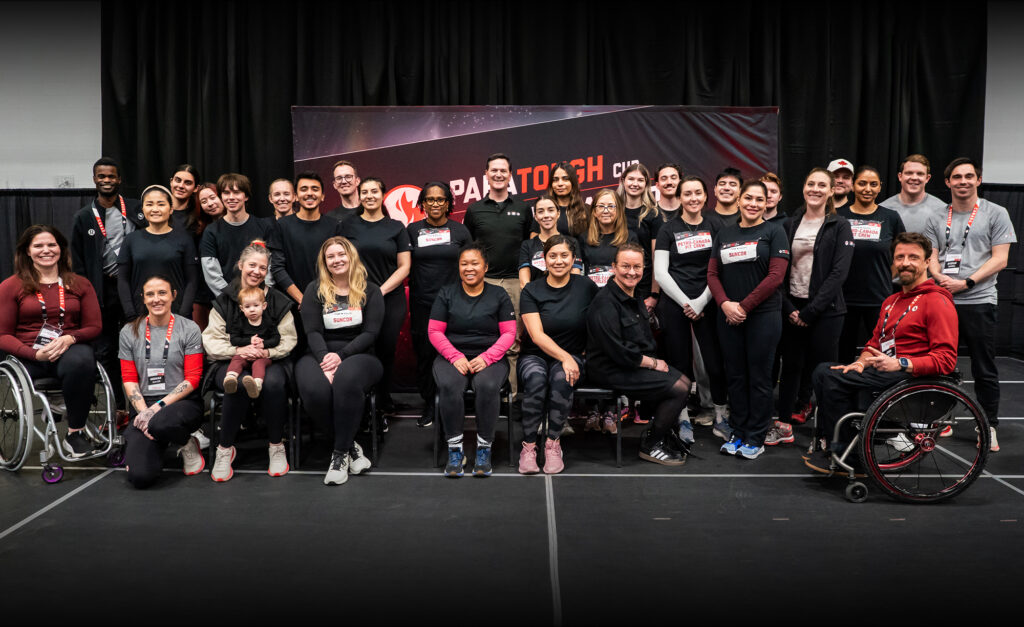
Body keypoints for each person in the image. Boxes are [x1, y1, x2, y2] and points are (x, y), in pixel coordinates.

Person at [807, 232, 958, 471]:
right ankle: (845, 447)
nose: (905, 262)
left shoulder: (937, 302)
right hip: (886, 373)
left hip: (912, 378)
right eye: (900, 257)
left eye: (913, 257)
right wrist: (861, 362)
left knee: (827, 375)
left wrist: (901, 364)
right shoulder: (891, 301)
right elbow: (874, 344)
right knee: (826, 371)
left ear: (927, 262)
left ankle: (851, 456)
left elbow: (946, 360)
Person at [924, 157, 1016, 452]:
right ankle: (938, 420)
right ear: (948, 182)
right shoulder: (936, 217)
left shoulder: (996, 213)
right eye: (957, 177)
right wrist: (939, 278)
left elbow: (1000, 258)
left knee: (983, 367)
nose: (963, 181)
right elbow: (931, 256)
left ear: (978, 180)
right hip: (942, 300)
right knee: (938, 364)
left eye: (969, 176)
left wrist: (967, 283)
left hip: (979, 300)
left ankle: (988, 425)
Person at [0, 225, 102, 458]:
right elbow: (2, 334)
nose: (46, 250)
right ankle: (58, 402)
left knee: (83, 359)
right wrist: (35, 354)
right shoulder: (10, 286)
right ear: (27, 251)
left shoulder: (80, 284)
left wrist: (70, 338)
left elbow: (94, 327)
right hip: (30, 356)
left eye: (51, 245)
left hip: (68, 350)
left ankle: (74, 434)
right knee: (64, 362)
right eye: (38, 246)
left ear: (61, 249)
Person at [586, 242, 691, 466]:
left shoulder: (636, 295)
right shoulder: (604, 303)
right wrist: (652, 364)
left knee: (684, 381)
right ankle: (651, 444)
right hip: (609, 368)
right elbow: (617, 351)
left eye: (637, 267)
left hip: (630, 363)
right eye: (625, 266)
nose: (631, 272)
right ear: (614, 267)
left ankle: (659, 434)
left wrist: (655, 363)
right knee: (679, 388)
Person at [707, 180, 790, 460]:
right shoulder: (725, 233)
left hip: (763, 317)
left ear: (767, 202)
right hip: (729, 316)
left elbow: (776, 277)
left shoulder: (774, 231)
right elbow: (712, 275)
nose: (753, 203)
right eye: (749, 198)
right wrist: (725, 304)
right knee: (736, 377)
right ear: (739, 200)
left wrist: (743, 306)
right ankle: (739, 432)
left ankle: (756, 436)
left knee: (759, 378)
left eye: (759, 199)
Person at [202, 240, 298, 481]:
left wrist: (266, 353)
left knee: (273, 384)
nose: (257, 271)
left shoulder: (277, 300)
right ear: (240, 265)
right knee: (237, 383)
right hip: (231, 361)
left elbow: (288, 339)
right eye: (252, 265)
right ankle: (225, 449)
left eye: (262, 268)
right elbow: (211, 341)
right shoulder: (223, 300)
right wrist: (240, 350)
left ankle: (276, 445)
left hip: (270, 360)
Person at [296, 237, 384, 485]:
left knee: (346, 379)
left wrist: (341, 357)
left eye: (341, 254)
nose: (337, 260)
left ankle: (338, 456)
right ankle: (350, 447)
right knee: (313, 389)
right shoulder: (314, 289)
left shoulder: (371, 290)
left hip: (360, 355)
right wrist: (325, 359)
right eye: (331, 256)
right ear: (325, 262)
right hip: (319, 353)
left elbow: (370, 333)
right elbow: (312, 332)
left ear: (351, 257)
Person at [776, 169, 854, 444]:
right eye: (811, 184)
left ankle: (824, 432)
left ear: (832, 190)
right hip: (792, 309)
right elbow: (779, 271)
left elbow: (838, 273)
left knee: (824, 372)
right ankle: (783, 424)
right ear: (804, 187)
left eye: (823, 185)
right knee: (791, 368)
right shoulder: (789, 223)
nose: (816, 189)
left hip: (827, 311)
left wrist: (811, 311)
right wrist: (789, 308)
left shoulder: (840, 224)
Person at [653, 176, 729, 444]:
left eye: (698, 193)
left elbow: (721, 267)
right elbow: (660, 273)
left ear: (705, 196)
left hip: (708, 302)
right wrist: (687, 302)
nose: (693, 198)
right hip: (675, 304)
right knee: (680, 364)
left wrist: (701, 301)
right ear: (680, 197)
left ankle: (721, 416)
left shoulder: (716, 225)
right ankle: (682, 417)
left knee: (715, 364)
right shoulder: (668, 228)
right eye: (688, 194)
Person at [430, 244, 516, 478]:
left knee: (487, 386)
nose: (469, 268)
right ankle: (455, 449)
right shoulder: (446, 293)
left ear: (485, 267)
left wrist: (487, 357)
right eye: (464, 264)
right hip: (452, 356)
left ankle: (484, 449)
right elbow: (435, 331)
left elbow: (509, 333)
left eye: (475, 263)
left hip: (490, 357)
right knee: (449, 385)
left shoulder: (498, 294)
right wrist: (455, 356)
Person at [518, 235, 598, 474]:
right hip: (535, 355)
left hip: (574, 355)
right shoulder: (531, 290)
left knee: (561, 378)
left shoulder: (587, 287)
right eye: (552, 256)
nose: (559, 261)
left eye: (564, 255)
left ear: (574, 259)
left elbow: (599, 322)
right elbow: (536, 335)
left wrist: (581, 354)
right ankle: (529, 446)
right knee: (536, 378)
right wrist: (565, 357)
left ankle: (553, 443)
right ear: (544, 259)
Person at [70, 157, 147, 407]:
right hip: (101, 290)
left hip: (134, 289)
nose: (106, 180)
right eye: (101, 176)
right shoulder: (83, 217)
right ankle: (118, 409)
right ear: (94, 179)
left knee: (139, 347)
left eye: (111, 176)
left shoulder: (137, 209)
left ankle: (145, 406)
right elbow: (78, 262)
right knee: (106, 351)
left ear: (119, 179)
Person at [118, 275, 205, 488]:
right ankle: (158, 438)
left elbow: (193, 378)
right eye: (150, 294)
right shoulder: (129, 332)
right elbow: (129, 379)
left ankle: (186, 442)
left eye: (162, 293)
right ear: (143, 299)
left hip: (181, 403)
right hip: (144, 405)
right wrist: (143, 412)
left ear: (173, 296)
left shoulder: (189, 328)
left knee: (161, 422)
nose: (156, 299)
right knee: (140, 477)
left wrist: (155, 410)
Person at [340, 177, 411, 415]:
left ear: (383, 195)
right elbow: (339, 262)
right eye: (365, 192)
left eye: (374, 191)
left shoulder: (396, 227)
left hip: (390, 298)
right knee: (361, 347)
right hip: (354, 298)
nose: (369, 195)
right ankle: (360, 399)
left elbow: (404, 267)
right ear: (359, 196)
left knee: (386, 348)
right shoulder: (347, 226)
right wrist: (362, 292)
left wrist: (379, 291)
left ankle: (383, 399)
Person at [463, 153, 532, 394]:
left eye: (503, 170)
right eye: (494, 170)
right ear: (486, 174)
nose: (499, 174)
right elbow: (469, 250)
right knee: (486, 339)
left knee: (512, 343)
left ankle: (510, 397)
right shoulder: (474, 210)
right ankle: (488, 393)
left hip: (515, 281)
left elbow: (529, 248)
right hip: (484, 283)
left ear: (510, 175)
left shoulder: (523, 209)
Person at [407, 182, 472, 428]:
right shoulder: (412, 230)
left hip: (455, 303)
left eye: (440, 199)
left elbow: (470, 267)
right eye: (430, 199)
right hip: (423, 303)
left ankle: (453, 402)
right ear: (422, 203)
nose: (435, 204)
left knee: (454, 352)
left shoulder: (460, 231)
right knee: (425, 354)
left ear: (448, 204)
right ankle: (429, 404)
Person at [836, 166, 906, 362]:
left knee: (880, 354)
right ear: (853, 186)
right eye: (862, 183)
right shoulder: (838, 215)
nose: (867, 188)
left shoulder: (890, 217)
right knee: (843, 354)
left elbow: (901, 254)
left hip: (879, 298)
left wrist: (886, 276)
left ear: (879, 188)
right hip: (843, 299)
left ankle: (878, 393)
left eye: (873, 184)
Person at [117, 185, 199, 319]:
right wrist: (130, 313)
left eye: (161, 204)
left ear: (171, 209)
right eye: (149, 204)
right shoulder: (131, 240)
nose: (155, 209)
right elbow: (123, 280)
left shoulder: (185, 240)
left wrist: (183, 313)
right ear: (143, 209)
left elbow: (192, 280)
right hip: (140, 315)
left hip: (177, 314)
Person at [199, 173, 286, 298]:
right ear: (221, 196)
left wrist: (259, 296)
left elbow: (270, 267)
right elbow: (212, 274)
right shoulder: (211, 231)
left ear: (246, 196)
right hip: (228, 300)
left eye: (236, 192)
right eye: (226, 193)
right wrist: (235, 297)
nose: (231, 197)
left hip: (260, 300)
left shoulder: (264, 226)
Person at [273, 172, 344, 307]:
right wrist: (303, 300)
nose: (309, 193)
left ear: (322, 196)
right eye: (304, 189)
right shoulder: (281, 225)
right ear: (295, 196)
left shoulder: (335, 226)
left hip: (329, 301)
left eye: (315, 189)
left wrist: (328, 297)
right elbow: (277, 268)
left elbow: (340, 266)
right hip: (291, 304)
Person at [222, 286, 279, 398]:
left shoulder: (268, 322)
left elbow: (276, 338)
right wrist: (249, 341)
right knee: (236, 359)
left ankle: (256, 384)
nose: (252, 309)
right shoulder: (239, 321)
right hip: (244, 354)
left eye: (256, 305)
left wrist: (263, 345)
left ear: (264, 306)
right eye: (247, 307)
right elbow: (234, 339)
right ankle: (230, 378)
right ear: (242, 308)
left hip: (261, 355)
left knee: (260, 364)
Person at [576, 188, 636, 291]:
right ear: (594, 211)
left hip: (620, 296)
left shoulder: (630, 237)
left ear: (618, 211)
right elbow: (580, 273)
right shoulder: (583, 238)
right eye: (601, 206)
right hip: (591, 296)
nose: (605, 210)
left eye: (611, 206)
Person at [616, 163, 657, 308]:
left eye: (640, 180)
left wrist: (654, 294)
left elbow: (655, 257)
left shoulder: (653, 214)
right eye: (631, 179)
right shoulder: (614, 212)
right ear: (623, 181)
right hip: (617, 282)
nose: (635, 184)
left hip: (643, 284)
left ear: (646, 184)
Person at [519, 195, 581, 287]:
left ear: (558, 213)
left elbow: (576, 277)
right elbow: (524, 283)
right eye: (540, 211)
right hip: (536, 298)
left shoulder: (572, 242)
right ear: (535, 216)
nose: (546, 215)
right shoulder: (527, 245)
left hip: (566, 298)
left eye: (551, 210)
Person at [880, 154, 948, 235]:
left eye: (920, 174)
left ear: (927, 178)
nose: (914, 178)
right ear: (900, 176)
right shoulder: (884, 209)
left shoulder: (942, 210)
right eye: (909, 173)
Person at [192, 183, 227, 330]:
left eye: (213, 197)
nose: (210, 204)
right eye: (204, 202)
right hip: (203, 295)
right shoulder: (199, 230)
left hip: (232, 293)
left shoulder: (240, 224)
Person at [529, 161, 586, 237]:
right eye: (555, 180)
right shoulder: (543, 210)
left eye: (565, 179)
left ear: (573, 182)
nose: (560, 184)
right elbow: (534, 242)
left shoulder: (585, 210)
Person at [168, 164, 200, 235]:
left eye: (188, 183)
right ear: (171, 182)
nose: (181, 186)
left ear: (196, 188)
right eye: (178, 180)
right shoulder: (158, 210)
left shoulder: (198, 218)